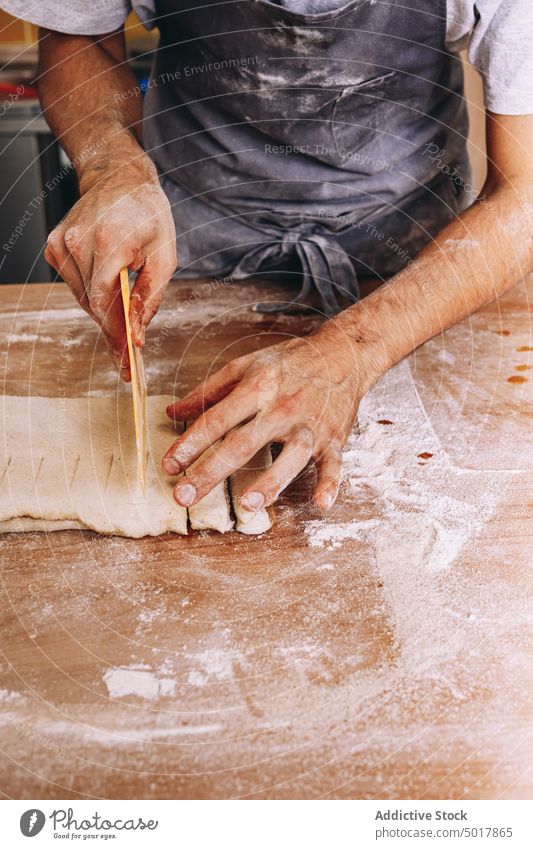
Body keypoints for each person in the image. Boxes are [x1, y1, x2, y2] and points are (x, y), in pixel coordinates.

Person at [2, 0, 531, 517]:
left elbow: (523, 196)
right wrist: (111, 165)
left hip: (414, 273)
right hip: (190, 246)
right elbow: (80, 34)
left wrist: (353, 353)